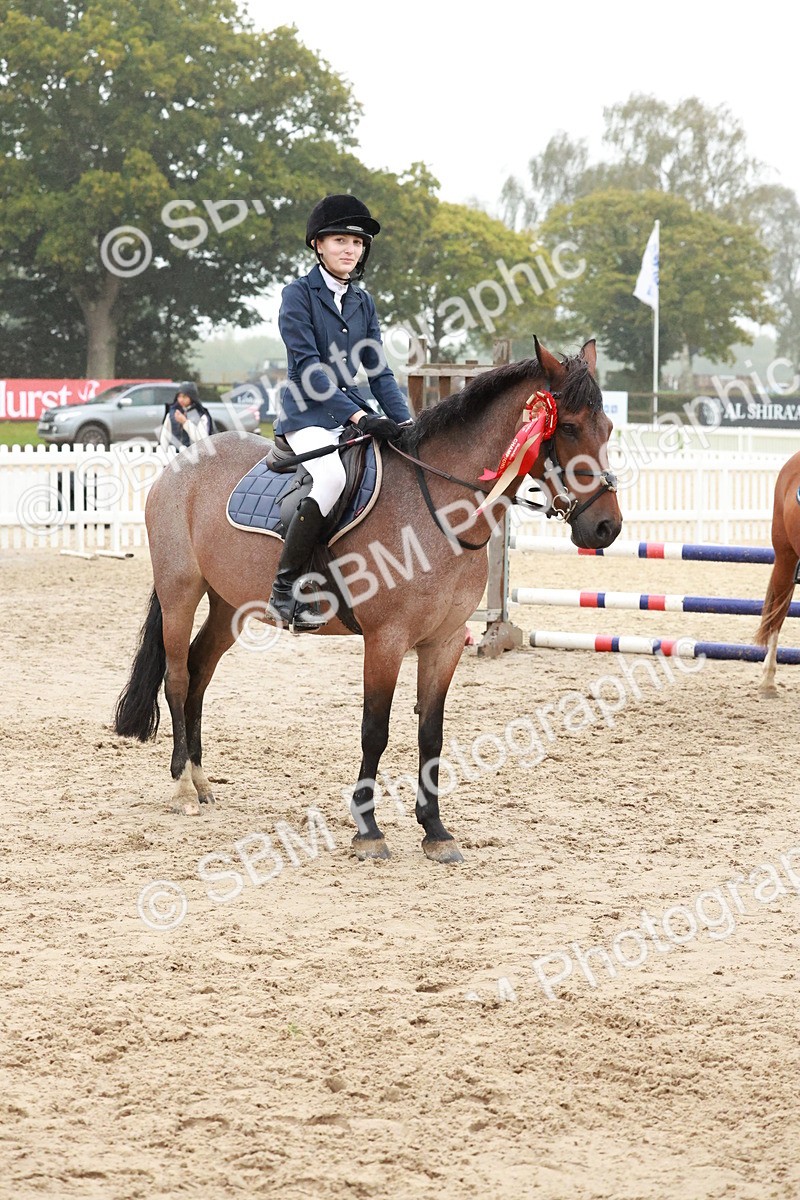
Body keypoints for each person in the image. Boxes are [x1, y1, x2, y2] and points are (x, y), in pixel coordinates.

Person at [268, 193, 412, 630]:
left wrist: (406, 423)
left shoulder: (362, 302)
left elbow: (379, 372)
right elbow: (310, 370)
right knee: (332, 477)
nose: (351, 249)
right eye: (340, 241)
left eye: (358, 243)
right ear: (318, 244)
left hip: (350, 413)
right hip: (307, 417)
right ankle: (284, 588)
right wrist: (359, 418)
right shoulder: (297, 295)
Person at [159, 382, 213, 453]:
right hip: (174, 454)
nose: (181, 399)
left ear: (192, 397)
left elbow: (202, 440)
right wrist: (164, 453)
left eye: (184, 397)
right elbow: (165, 435)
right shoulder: (172, 413)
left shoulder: (201, 415)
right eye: (179, 396)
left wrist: (185, 422)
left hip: (194, 454)